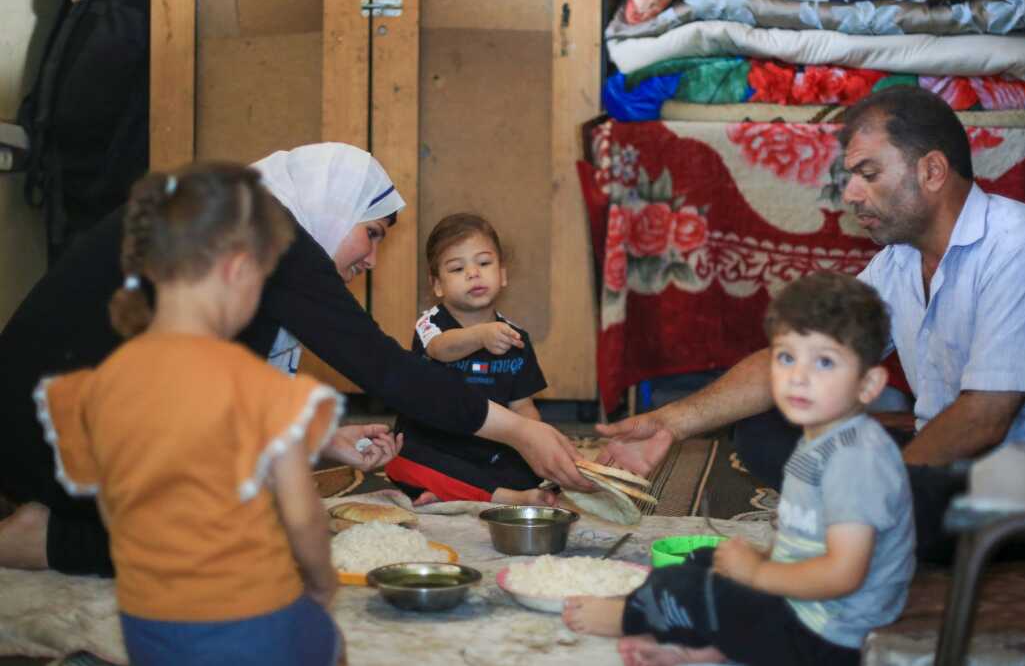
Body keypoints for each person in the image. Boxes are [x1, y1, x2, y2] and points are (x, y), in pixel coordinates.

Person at [0, 142, 591, 575]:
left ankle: (67, 515)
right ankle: (40, 540)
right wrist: (517, 430)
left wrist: (321, 440)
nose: (371, 259)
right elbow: (386, 369)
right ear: (334, 204)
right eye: (374, 232)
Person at [596, 87, 1025, 561]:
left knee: (881, 500)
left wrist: (879, 493)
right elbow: (792, 359)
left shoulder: (1021, 243)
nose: (852, 195)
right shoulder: (902, 258)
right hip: (950, 468)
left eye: (868, 174)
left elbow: (986, 416)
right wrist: (669, 422)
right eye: (850, 177)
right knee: (768, 426)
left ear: (932, 170)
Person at [35, 165, 346, 665]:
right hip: (253, 620)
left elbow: (112, 504)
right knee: (328, 640)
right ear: (238, 270)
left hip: (147, 624)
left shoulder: (102, 383)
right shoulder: (254, 384)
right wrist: (320, 582)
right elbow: (302, 515)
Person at [563, 272, 915, 666]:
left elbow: (844, 576)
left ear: (868, 384)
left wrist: (758, 575)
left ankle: (626, 618)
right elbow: (811, 540)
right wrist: (762, 560)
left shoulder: (856, 461)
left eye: (825, 362)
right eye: (786, 357)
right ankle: (718, 645)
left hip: (829, 635)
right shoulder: (824, 437)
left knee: (685, 589)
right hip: (809, 604)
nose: (798, 377)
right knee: (702, 561)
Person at [385, 214, 558, 507]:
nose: (473, 273)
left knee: (532, 470)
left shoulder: (516, 338)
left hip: (488, 449)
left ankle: (453, 495)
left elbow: (522, 406)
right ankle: (508, 499)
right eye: (457, 268)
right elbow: (440, 348)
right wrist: (480, 336)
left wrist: (541, 444)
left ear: (502, 274)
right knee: (400, 460)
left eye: (484, 263)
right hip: (434, 444)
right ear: (437, 285)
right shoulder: (430, 325)